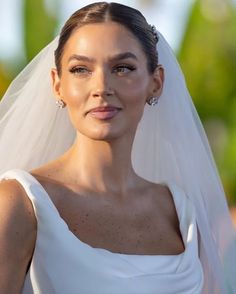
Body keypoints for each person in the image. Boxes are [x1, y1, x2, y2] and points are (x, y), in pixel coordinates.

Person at [0, 2, 235, 293]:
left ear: (156, 82)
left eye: (122, 68)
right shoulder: (20, 204)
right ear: (57, 84)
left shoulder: (182, 214)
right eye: (81, 69)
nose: (101, 86)